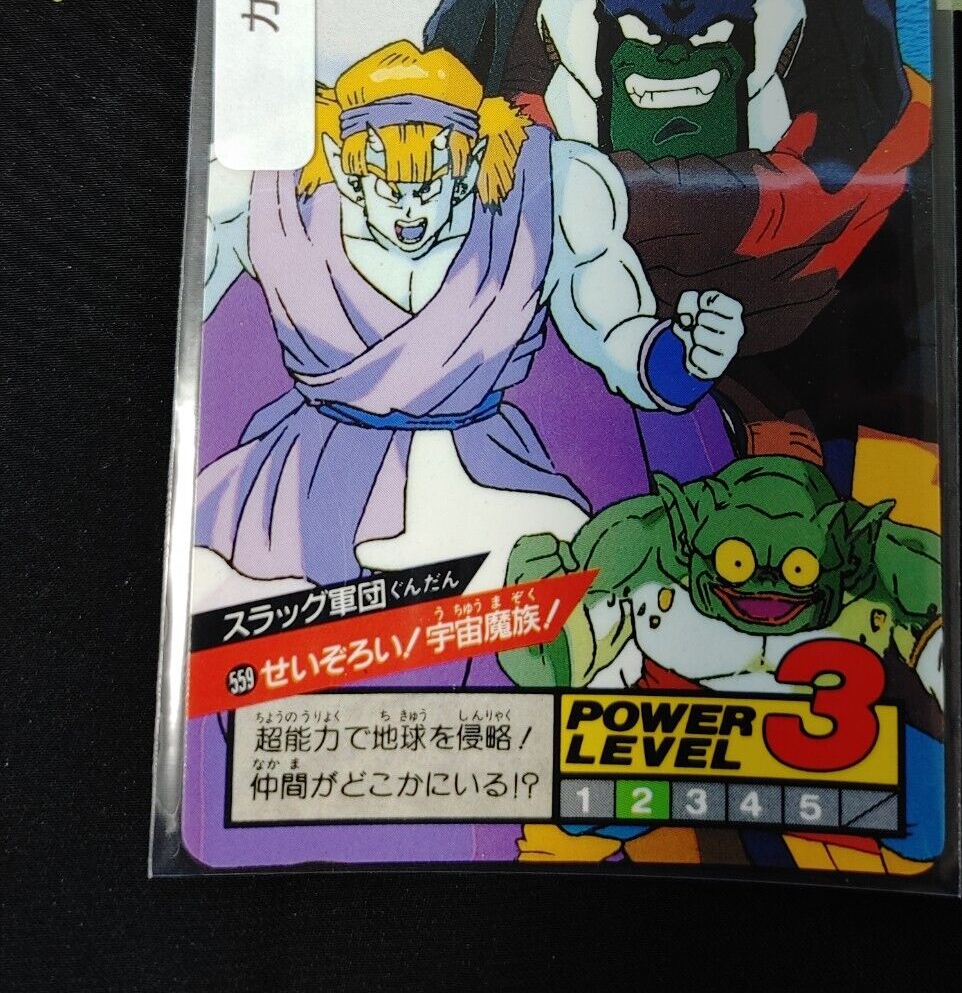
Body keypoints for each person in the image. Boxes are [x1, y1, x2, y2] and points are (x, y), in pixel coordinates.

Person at [193, 39, 744, 608]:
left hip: (480, 476)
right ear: (344, 165)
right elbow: (188, 306)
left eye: (430, 185)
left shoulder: (543, 192)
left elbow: (616, 335)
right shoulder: (273, 196)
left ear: (470, 162)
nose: (410, 213)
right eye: (388, 187)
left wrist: (687, 355)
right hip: (304, 492)